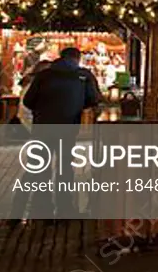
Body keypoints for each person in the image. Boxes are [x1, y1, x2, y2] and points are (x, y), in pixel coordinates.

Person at [20, 47, 101, 220]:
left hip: (42, 127)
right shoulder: (84, 76)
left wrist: (42, 111)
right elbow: (94, 99)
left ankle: (43, 210)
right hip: (67, 127)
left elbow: (28, 101)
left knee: (42, 169)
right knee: (65, 168)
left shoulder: (43, 76)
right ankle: (65, 209)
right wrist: (75, 107)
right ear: (77, 58)